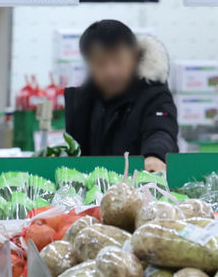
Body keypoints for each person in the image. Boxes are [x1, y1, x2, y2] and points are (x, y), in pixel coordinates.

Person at [65, 19, 178, 172]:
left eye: (118, 61)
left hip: (140, 189)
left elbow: (160, 129)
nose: (111, 71)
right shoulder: (84, 100)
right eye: (101, 63)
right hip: (93, 191)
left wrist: (155, 155)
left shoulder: (155, 95)